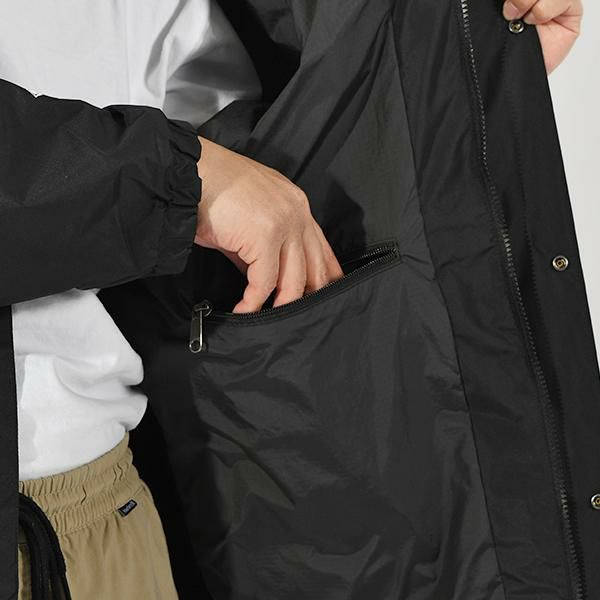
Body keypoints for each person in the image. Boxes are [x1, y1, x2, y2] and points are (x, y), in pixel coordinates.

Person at [0, 0, 585, 599]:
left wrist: (463, 62)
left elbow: (255, 143)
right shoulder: (169, 169)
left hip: (110, 507)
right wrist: (178, 178)